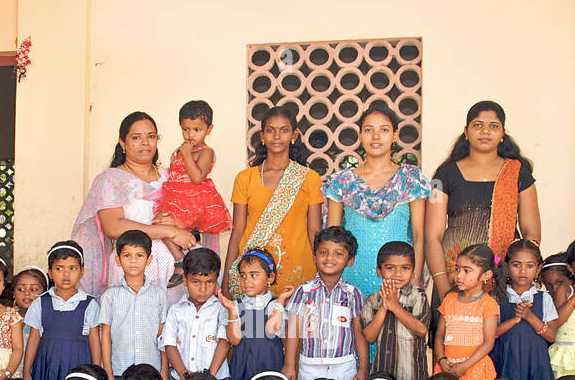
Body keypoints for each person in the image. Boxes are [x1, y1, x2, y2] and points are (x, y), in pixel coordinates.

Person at [426, 100, 541, 309]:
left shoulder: (518, 172)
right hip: (455, 275)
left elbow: (531, 233)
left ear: (503, 133)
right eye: (478, 125)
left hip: (502, 278)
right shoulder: (443, 175)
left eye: (493, 126)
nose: (485, 131)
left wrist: (516, 275)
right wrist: (444, 288)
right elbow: (432, 237)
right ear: (466, 131)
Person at [73, 111, 198, 296]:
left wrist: (177, 222)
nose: (145, 142)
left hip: (175, 271)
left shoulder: (170, 176)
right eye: (136, 137)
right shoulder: (110, 179)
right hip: (132, 267)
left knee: (174, 322)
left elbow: (193, 216)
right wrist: (168, 231)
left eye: (151, 136)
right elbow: (113, 227)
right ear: (123, 143)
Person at [323, 102, 431, 298]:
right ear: (360, 136)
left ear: (395, 136)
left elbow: (418, 234)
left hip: (397, 279)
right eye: (368, 130)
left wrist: (415, 279)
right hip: (349, 278)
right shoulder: (342, 182)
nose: (375, 137)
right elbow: (332, 237)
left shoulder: (410, 180)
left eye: (384, 130)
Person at [224, 105, 324, 299]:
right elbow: (237, 232)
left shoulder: (309, 178)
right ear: (262, 135)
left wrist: (322, 273)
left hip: (298, 271)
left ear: (294, 135)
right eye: (270, 130)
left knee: (295, 329)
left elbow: (315, 232)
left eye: (284, 130)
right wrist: (228, 277)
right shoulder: (245, 178)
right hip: (253, 276)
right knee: (253, 327)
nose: (277, 136)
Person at [283, 227, 367, 380]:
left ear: (350, 260)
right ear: (314, 256)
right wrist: (288, 364)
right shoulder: (303, 292)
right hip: (310, 364)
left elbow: (359, 334)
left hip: (343, 365)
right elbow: (294, 331)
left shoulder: (353, 294)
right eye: (323, 252)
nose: (329, 258)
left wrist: (363, 367)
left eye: (338, 253)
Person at [153, 100, 231, 284]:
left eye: (197, 130)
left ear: (209, 129)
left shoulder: (206, 152)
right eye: (186, 129)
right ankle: (180, 259)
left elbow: (197, 178)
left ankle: (191, 254)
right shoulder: (179, 150)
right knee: (158, 223)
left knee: (170, 226)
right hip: (175, 199)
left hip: (195, 202)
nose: (190, 134)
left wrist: (187, 154)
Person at [24, 241, 99, 380]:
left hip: (78, 362)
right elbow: (34, 338)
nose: (66, 274)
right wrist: (26, 371)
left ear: (82, 271)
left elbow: (94, 339)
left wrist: (97, 372)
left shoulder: (89, 304)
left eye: (72, 268)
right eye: (59, 268)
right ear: (50, 272)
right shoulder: (41, 303)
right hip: (47, 363)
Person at [95, 229, 170, 380]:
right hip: (120, 368)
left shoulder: (159, 295)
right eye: (127, 255)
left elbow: (163, 335)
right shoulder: (110, 296)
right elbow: (105, 336)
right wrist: (108, 371)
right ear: (118, 260)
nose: (133, 260)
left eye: (139, 255)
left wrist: (164, 371)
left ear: (149, 259)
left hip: (152, 369)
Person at [359, 240, 431, 380]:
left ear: (413, 271)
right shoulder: (373, 300)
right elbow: (369, 336)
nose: (398, 274)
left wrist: (395, 306)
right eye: (390, 268)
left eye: (405, 268)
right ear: (379, 271)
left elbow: (421, 330)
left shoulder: (418, 296)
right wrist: (385, 306)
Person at [491, 238, 557, 380]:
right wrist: (515, 319)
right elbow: (492, 333)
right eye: (516, 265)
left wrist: (529, 317)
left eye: (529, 266)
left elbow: (551, 335)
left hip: (534, 363)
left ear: (537, 269)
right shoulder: (498, 297)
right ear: (506, 266)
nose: (522, 271)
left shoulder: (544, 298)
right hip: (506, 361)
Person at [434, 242, 501, 380]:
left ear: (486, 275)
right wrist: (441, 361)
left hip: (474, 371)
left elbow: (488, 343)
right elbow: (439, 335)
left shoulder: (488, 304)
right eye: (457, 270)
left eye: (467, 270)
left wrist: (465, 366)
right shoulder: (449, 300)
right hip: (446, 369)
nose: (459, 276)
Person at [161, 247, 234, 380]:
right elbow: (169, 344)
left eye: (210, 282)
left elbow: (224, 341)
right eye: (196, 282)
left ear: (217, 282)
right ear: (185, 280)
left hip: (216, 379)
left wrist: (211, 375)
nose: (203, 289)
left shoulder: (221, 309)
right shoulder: (176, 310)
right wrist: (183, 374)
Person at [224, 250, 290, 380]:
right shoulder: (237, 305)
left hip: (268, 364)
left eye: (254, 275)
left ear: (270, 278)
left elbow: (271, 329)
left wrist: (281, 301)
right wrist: (232, 311)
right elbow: (234, 339)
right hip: (243, 365)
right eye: (243, 276)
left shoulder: (274, 304)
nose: (247, 281)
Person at [540, 254, 575, 380]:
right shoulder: (546, 301)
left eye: (559, 282)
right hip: (561, 357)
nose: (554, 288)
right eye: (548, 284)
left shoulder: (570, 293)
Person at [11, 265, 50, 379]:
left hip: (36, 375)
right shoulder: (5, 317)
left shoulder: (47, 320)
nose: (26, 293)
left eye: (33, 289)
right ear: (13, 293)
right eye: (21, 289)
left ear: (45, 293)